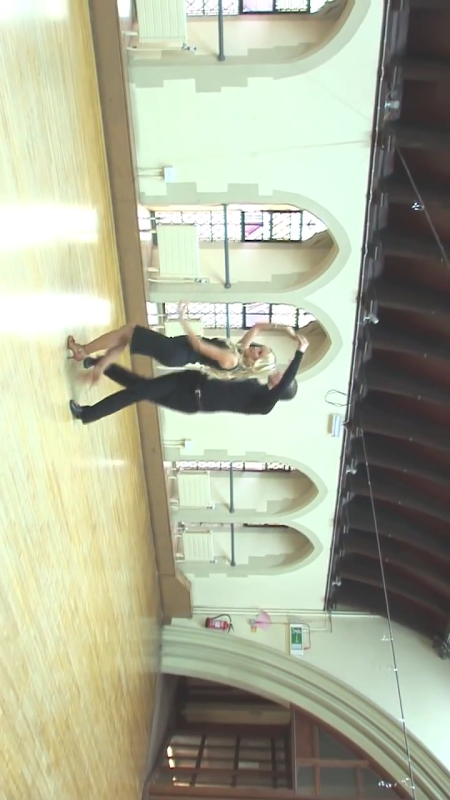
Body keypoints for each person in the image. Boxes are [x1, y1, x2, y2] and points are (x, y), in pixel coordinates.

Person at [69, 335, 309, 424]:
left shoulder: (263, 405)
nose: (281, 373)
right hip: (190, 381)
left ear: (281, 387)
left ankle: (87, 413)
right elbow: (243, 348)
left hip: (190, 401)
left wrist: (300, 352)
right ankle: (96, 364)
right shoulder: (252, 379)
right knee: (137, 387)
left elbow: (284, 381)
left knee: (137, 390)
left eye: (284, 378)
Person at [66, 303, 299, 384]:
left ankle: (83, 351)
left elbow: (198, 346)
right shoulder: (240, 351)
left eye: (259, 353)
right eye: (260, 348)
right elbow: (257, 327)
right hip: (176, 351)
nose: (256, 349)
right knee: (126, 336)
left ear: (256, 364)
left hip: (176, 352)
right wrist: (285, 328)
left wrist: (182, 318)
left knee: (128, 331)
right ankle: (100, 365)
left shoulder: (232, 359)